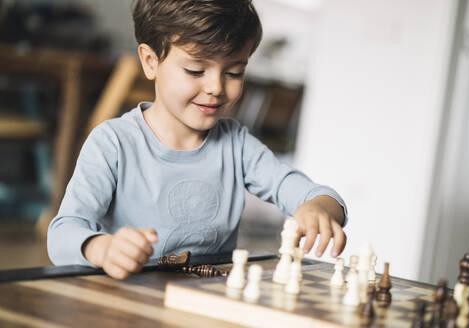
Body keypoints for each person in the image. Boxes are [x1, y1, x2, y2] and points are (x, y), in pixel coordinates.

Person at [47, 0, 348, 280]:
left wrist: (319, 209)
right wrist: (103, 248)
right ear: (150, 61)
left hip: (206, 302)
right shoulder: (113, 143)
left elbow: (321, 195)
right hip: (129, 302)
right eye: (196, 70)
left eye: (234, 72)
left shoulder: (237, 146)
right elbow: (63, 233)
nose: (216, 87)